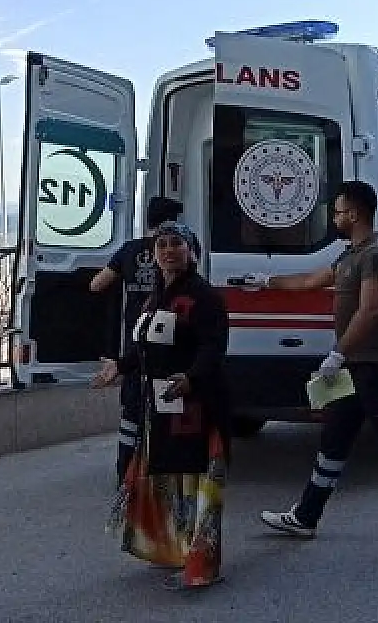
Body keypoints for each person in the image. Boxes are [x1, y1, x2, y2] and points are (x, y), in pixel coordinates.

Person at [245, 180, 378, 552]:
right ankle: (305, 517)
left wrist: (338, 353)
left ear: (354, 214)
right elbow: (310, 281)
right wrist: (266, 281)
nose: (334, 218)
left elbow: (370, 310)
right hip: (355, 368)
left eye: (338, 212)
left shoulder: (376, 257)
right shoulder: (349, 256)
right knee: (334, 440)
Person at [93, 221, 230, 591]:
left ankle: (201, 563)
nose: (168, 250)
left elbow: (213, 347)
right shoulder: (156, 297)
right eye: (162, 244)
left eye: (176, 244)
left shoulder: (204, 297)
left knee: (195, 481)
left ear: (191, 252)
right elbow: (145, 347)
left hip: (195, 406)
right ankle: (175, 549)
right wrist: (120, 366)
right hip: (160, 404)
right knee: (170, 481)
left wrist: (191, 378)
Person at [91, 196, 189, 480]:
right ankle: (160, 473)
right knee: (166, 406)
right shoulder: (177, 250)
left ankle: (126, 474)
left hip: (136, 340)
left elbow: (97, 285)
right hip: (168, 340)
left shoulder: (128, 250)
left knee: (132, 411)